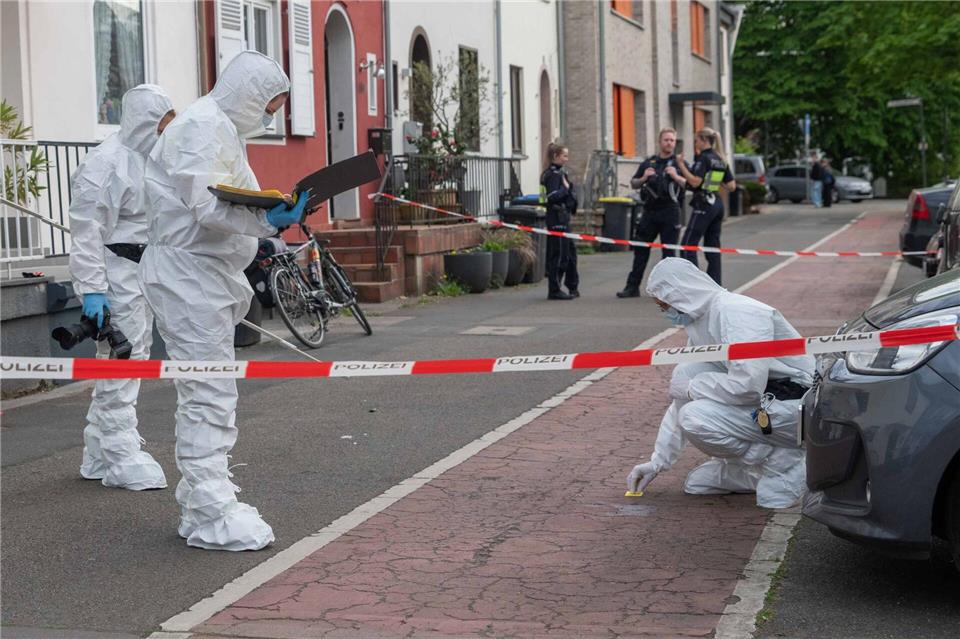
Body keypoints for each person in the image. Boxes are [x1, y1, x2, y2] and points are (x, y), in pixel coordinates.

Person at [139, 51, 304, 551]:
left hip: (205, 276)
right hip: (188, 275)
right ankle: (209, 510)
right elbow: (207, 205)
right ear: (249, 95)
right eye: (269, 105)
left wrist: (272, 215)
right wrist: (265, 221)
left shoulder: (221, 129)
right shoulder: (199, 128)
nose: (271, 117)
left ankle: (203, 495)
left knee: (210, 388)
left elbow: (240, 196)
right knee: (208, 392)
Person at [626, 258, 814, 509]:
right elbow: (680, 397)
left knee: (696, 416)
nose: (667, 313)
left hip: (794, 406)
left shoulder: (738, 313)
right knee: (696, 482)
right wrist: (658, 462)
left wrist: (696, 387)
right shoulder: (700, 321)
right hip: (766, 405)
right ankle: (751, 467)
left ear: (681, 294)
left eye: (666, 305)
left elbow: (747, 386)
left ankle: (784, 460)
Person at [69, 84, 176, 491]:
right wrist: (92, 289)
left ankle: (98, 451)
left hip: (142, 268)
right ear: (144, 121)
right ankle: (119, 451)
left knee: (133, 352)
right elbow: (85, 233)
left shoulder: (152, 159)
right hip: (114, 270)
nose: (166, 131)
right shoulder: (105, 164)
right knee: (123, 357)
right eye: (161, 123)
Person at [617, 128, 687, 298]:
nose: (669, 143)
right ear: (660, 142)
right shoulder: (649, 163)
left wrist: (676, 176)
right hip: (650, 211)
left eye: (672, 140)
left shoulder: (679, 164)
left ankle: (669, 291)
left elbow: (690, 184)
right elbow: (634, 183)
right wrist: (644, 178)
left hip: (670, 211)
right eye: (666, 140)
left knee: (669, 254)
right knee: (641, 249)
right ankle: (632, 287)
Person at [676, 127, 736, 285]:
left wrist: (681, 165)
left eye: (696, 140)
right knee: (713, 247)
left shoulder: (703, 158)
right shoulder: (720, 158)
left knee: (688, 244)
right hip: (717, 204)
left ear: (703, 140)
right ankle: (715, 284)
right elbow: (731, 186)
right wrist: (714, 181)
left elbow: (695, 181)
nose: (695, 144)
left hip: (704, 204)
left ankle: (694, 284)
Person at [540, 143, 580, 300]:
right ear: (555, 156)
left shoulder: (561, 173)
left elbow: (569, 194)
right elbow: (552, 197)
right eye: (564, 155)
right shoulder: (551, 175)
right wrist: (565, 189)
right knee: (558, 255)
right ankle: (554, 289)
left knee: (570, 253)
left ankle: (572, 286)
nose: (567, 159)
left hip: (563, 218)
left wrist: (570, 193)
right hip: (555, 218)